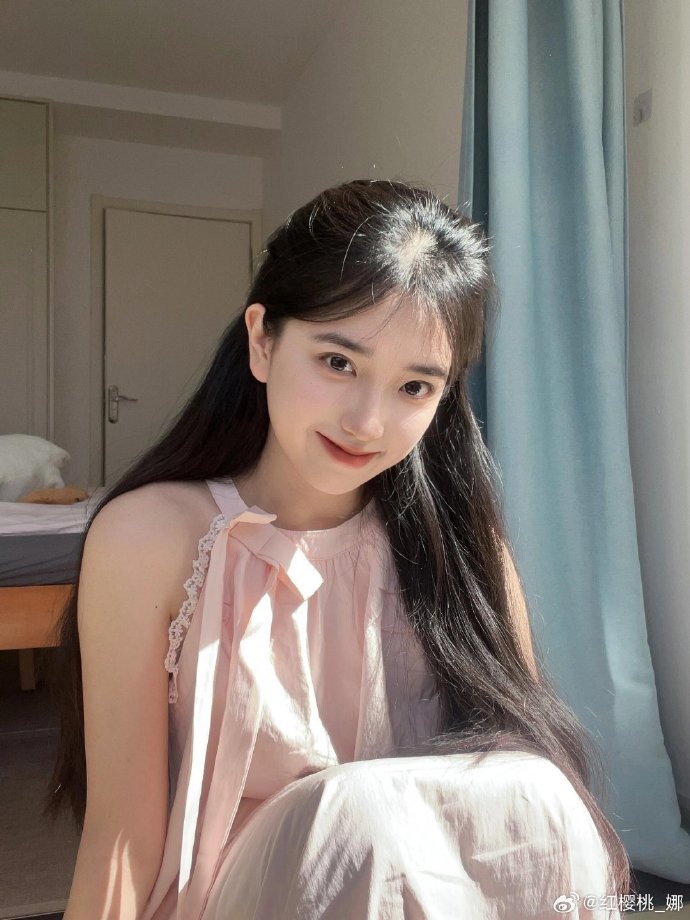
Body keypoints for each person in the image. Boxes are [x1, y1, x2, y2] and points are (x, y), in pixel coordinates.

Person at [44, 178, 632, 919]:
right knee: (359, 823)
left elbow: (512, 813)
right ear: (262, 341)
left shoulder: (458, 544)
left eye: (414, 387)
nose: (367, 423)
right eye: (338, 363)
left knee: (541, 789)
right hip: (245, 903)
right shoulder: (151, 535)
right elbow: (122, 840)